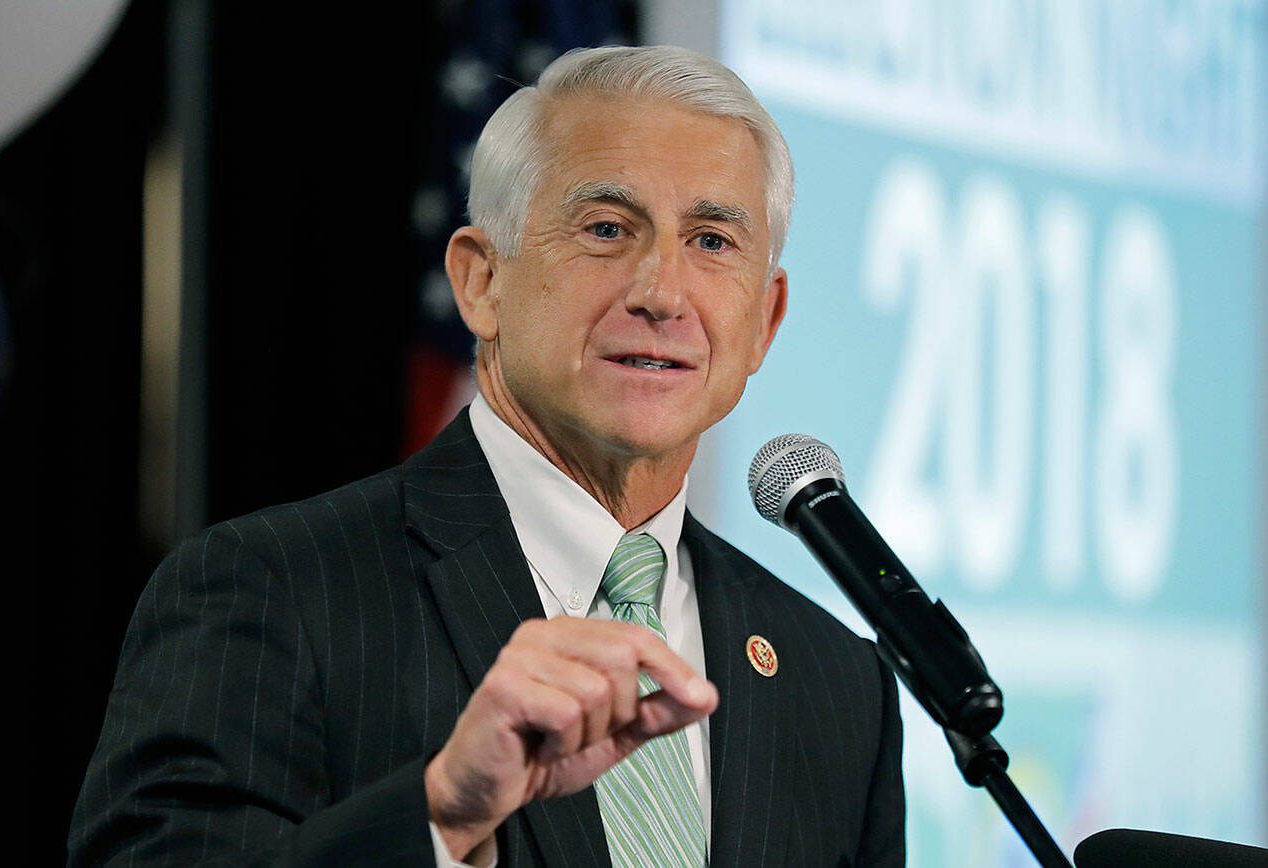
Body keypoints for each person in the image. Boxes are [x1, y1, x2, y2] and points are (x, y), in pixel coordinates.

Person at [69, 45, 905, 867]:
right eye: (607, 228)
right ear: (479, 282)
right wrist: (438, 818)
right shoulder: (272, 587)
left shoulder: (838, 685)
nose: (661, 292)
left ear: (766, 320)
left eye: (713, 241)